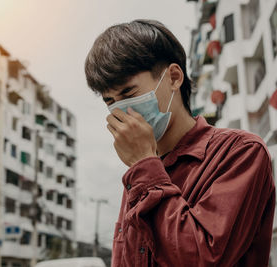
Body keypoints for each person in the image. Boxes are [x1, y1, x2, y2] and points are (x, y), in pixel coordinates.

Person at [84, 19, 275, 267]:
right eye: (110, 102)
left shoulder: (241, 152)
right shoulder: (139, 176)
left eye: (129, 94)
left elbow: (200, 259)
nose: (120, 109)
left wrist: (144, 164)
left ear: (174, 77)